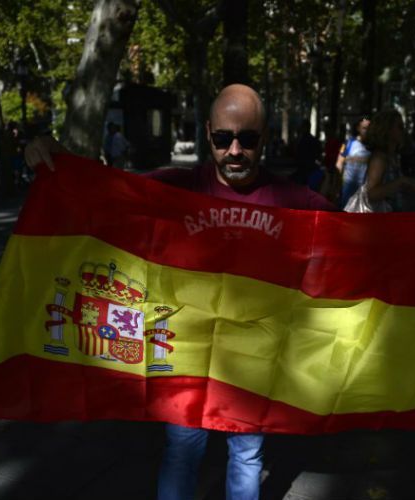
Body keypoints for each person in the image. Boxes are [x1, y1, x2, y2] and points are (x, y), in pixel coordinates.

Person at [25, 84, 335, 500]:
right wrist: (54, 151)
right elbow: (105, 192)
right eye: (224, 138)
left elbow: (362, 239)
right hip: (185, 353)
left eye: (249, 139)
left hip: (254, 360)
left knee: (246, 456)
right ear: (208, 133)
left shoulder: (295, 200)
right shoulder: (176, 189)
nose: (235, 150)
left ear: (266, 137)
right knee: (183, 450)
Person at [353, 108, 415, 212]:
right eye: (399, 127)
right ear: (386, 129)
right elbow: (371, 194)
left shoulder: (392, 156)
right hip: (379, 221)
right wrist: (401, 182)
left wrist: (411, 185)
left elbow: (390, 188)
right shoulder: (379, 158)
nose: (403, 130)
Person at [336, 116, 371, 209]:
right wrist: (337, 185)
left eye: (369, 128)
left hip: (365, 188)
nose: (367, 131)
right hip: (348, 186)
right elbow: (339, 163)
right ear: (358, 128)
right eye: (364, 128)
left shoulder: (373, 145)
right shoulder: (348, 143)